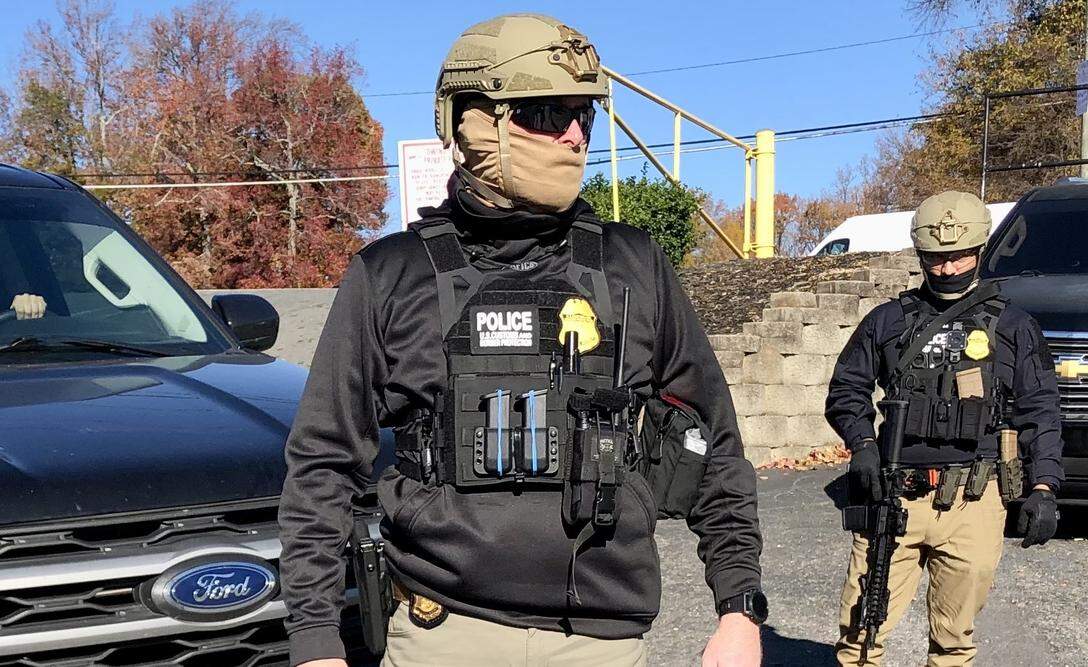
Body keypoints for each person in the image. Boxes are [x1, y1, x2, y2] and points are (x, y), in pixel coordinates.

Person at [278, 14, 765, 667]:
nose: (572, 135)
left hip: (603, 644)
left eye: (583, 117)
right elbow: (322, 463)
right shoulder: (392, 276)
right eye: (545, 112)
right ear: (472, 120)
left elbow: (714, 443)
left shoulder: (634, 268)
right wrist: (315, 641)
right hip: (442, 636)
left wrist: (740, 607)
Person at [826, 190, 1063, 667]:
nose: (948, 268)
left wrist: (1043, 487)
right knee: (860, 640)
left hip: (974, 501)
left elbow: (1041, 410)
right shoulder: (888, 321)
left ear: (979, 250)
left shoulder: (1014, 326)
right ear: (920, 256)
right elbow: (846, 392)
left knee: (954, 643)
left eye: (959, 256)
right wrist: (864, 445)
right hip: (893, 496)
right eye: (935, 258)